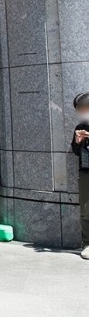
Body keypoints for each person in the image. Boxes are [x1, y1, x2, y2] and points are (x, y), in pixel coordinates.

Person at [71, 92, 89, 259]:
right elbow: (76, 151)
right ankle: (87, 243)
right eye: (80, 110)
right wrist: (77, 142)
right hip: (85, 171)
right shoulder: (79, 127)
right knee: (86, 210)